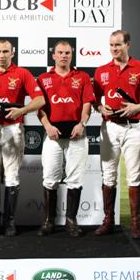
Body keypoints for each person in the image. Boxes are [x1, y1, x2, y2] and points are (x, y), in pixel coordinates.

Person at [93, 30, 140, 239]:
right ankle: (108, 221)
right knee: (108, 175)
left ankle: (136, 224)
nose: (114, 48)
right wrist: (100, 108)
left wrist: (136, 107)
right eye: (111, 45)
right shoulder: (102, 71)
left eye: (118, 45)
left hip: (133, 128)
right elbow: (94, 100)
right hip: (110, 127)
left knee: (134, 177)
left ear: (128, 45)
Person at [0, 39, 44, 236]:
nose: (2, 55)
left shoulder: (22, 73)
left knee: (12, 175)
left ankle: (9, 221)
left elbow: (40, 100)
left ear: (12, 53)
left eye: (6, 51)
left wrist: (21, 110)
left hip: (13, 129)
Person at [36, 41, 94, 237]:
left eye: (67, 53)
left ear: (72, 55)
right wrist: (47, 126)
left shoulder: (82, 77)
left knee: (75, 180)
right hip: (53, 135)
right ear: (53, 55)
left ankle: (71, 221)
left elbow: (87, 104)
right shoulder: (43, 78)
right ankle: (48, 221)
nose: (64, 56)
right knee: (50, 178)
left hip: (77, 135)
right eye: (60, 52)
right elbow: (40, 107)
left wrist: (82, 124)